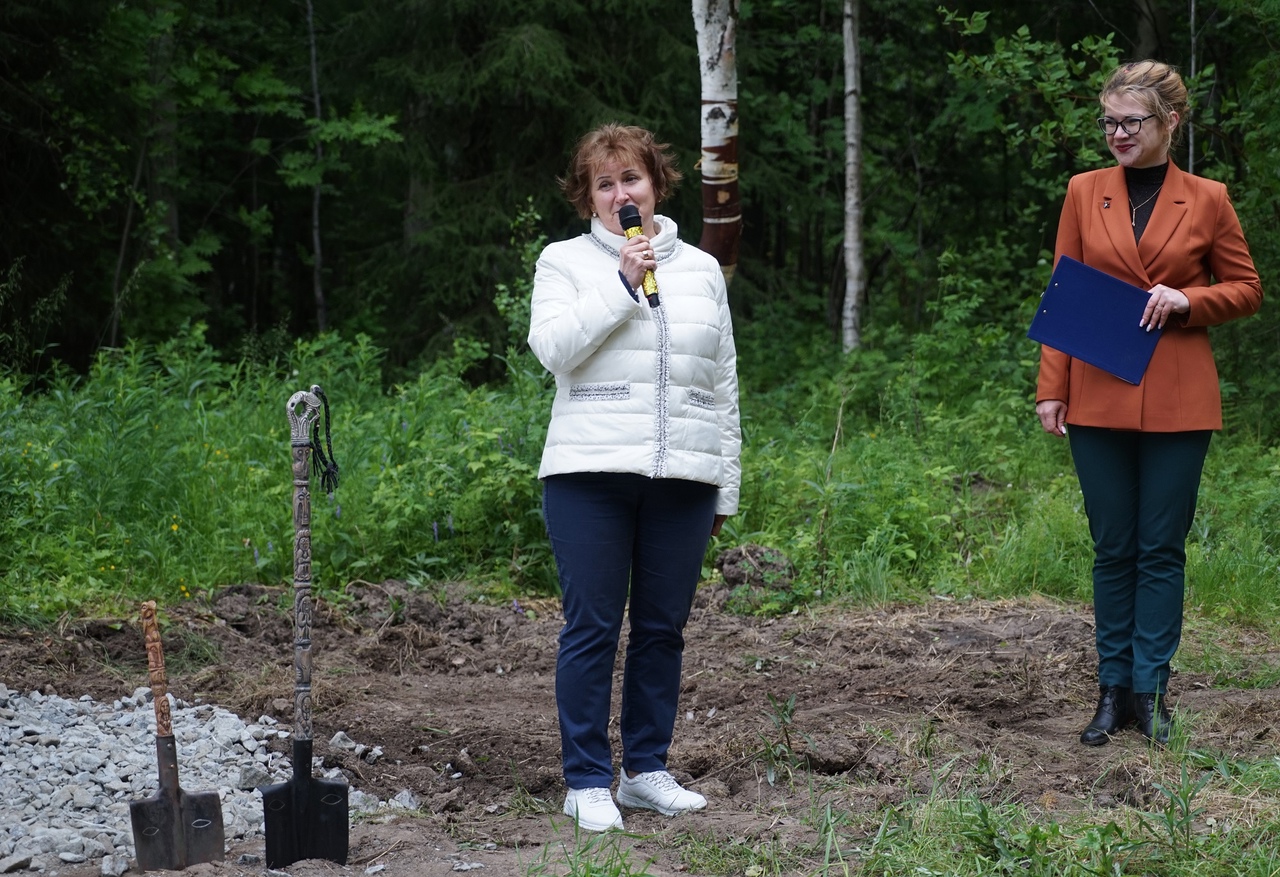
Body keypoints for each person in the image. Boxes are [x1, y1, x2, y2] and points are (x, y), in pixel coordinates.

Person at [1035, 61, 1262, 746]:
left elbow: (1247, 288)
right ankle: (1110, 692)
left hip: (1178, 395)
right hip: (1098, 388)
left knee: (1160, 547)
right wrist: (1051, 386)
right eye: (1109, 121)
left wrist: (1190, 300)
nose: (1117, 134)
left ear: (1171, 123)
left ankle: (1149, 691)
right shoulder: (1084, 191)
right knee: (1112, 547)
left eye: (1132, 121)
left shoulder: (1209, 198)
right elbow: (1064, 291)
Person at [527, 123, 741, 831]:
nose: (622, 194)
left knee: (661, 629)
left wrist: (724, 484)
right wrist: (622, 283)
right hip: (589, 474)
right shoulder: (564, 262)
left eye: (632, 179)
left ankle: (645, 770)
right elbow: (553, 350)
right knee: (591, 626)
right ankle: (587, 778)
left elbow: (724, 385)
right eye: (605, 183)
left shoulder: (703, 270)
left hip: (683, 473)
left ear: (657, 183)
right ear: (588, 197)